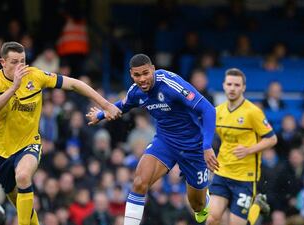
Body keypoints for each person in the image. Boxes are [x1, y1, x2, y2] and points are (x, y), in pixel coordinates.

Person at [0, 41, 121, 225]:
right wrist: (14, 87)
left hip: (28, 143)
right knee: (22, 206)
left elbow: (73, 84)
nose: (20, 66)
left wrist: (106, 104)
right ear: (3, 62)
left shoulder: (35, 76)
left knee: (23, 176)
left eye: (23, 61)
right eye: (14, 62)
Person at [86, 54, 218, 225]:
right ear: (131, 74)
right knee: (140, 182)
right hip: (165, 142)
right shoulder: (135, 91)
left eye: (145, 73)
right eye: (137, 75)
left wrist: (207, 146)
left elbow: (208, 110)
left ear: (153, 69)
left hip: (194, 146)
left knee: (197, 205)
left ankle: (204, 202)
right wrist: (101, 114)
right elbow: (122, 106)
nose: (142, 79)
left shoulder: (171, 84)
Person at [207, 68, 277, 225]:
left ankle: (257, 205)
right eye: (229, 84)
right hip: (222, 171)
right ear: (224, 85)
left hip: (245, 176)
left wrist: (249, 150)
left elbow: (272, 139)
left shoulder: (253, 112)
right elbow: (205, 135)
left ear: (243, 87)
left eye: (237, 85)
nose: (232, 88)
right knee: (212, 219)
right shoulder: (218, 111)